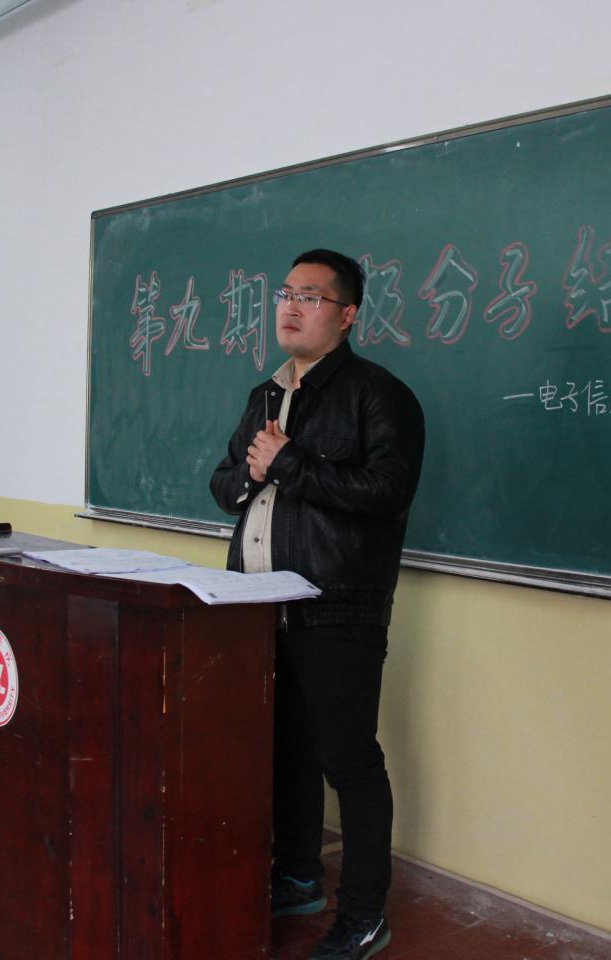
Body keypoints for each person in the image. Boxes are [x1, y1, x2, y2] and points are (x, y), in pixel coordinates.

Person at [210, 248, 424, 960]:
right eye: (285, 294)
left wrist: (290, 465)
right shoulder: (264, 395)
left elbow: (387, 494)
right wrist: (254, 474)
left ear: (348, 314)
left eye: (310, 296)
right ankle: (298, 876)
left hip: (338, 606)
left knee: (349, 762)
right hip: (254, 605)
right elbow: (223, 482)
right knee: (285, 750)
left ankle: (362, 916)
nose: (291, 307)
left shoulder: (378, 395)